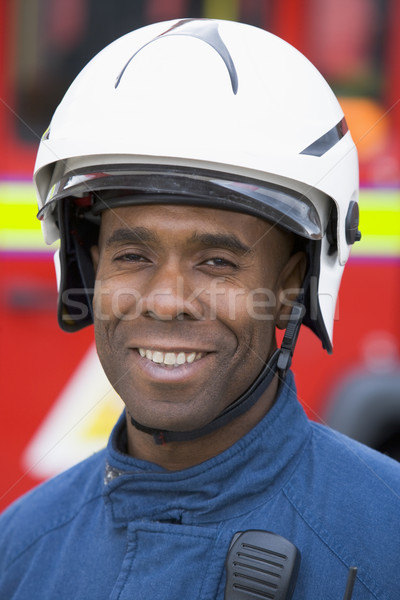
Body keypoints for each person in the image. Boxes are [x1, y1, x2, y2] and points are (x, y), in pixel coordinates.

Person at [0, 18, 399, 600]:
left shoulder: (385, 540)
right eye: (132, 254)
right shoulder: (20, 551)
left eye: (216, 262)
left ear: (293, 283)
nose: (165, 301)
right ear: (89, 271)